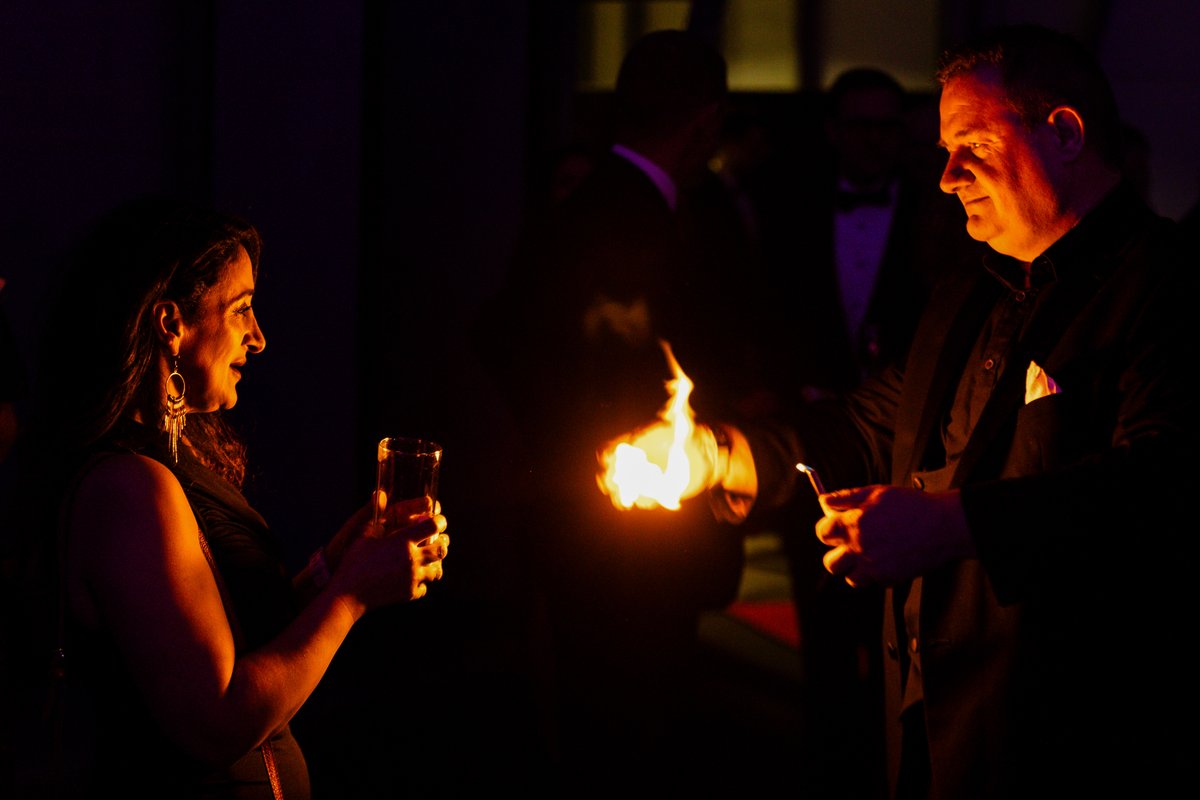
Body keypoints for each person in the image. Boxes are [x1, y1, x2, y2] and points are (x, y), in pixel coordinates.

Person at [600, 24, 1194, 799]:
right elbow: (868, 423)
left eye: (970, 144)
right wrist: (721, 454)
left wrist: (947, 523)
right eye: (942, 148)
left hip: (1068, 729)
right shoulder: (965, 288)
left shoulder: (1167, 284)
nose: (947, 176)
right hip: (926, 720)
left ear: (1066, 132)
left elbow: (1157, 485)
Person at [1, 197, 449, 799]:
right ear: (170, 323)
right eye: (241, 310)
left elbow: (229, 644)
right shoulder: (129, 487)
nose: (258, 338)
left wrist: (331, 569)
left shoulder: (167, 460)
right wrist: (350, 598)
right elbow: (214, 721)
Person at [473, 28, 762, 790]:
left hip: (589, 524)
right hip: (633, 533)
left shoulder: (585, 208)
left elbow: (503, 338)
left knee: (609, 721)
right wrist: (601, 461)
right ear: (705, 122)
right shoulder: (636, 221)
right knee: (628, 730)